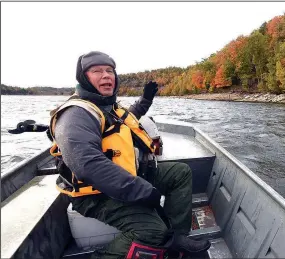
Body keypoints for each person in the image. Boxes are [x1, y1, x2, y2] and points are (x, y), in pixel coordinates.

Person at [49, 51, 210, 259]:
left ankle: (177, 241)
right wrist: (141, 190)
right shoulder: (76, 114)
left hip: (126, 178)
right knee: (153, 232)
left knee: (180, 173)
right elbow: (87, 165)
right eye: (97, 71)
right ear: (83, 78)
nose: (106, 75)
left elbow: (130, 116)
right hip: (95, 195)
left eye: (110, 71)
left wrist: (146, 99)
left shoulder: (108, 107)